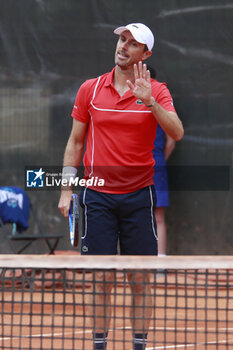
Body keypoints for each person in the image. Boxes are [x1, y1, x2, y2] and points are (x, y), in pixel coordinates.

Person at [58, 23, 184, 350]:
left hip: (139, 197)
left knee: (140, 281)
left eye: (133, 44)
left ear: (146, 54)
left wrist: (150, 103)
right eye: (122, 39)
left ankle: (139, 346)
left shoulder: (157, 90)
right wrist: (66, 190)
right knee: (101, 281)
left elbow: (178, 132)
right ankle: (100, 346)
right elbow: (75, 141)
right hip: (97, 196)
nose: (124, 46)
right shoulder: (90, 89)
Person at [148, 67, 176, 256]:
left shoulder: (160, 96)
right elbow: (171, 140)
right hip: (152, 164)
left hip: (154, 164)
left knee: (157, 215)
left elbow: (173, 138)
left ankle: (160, 264)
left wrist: (158, 161)